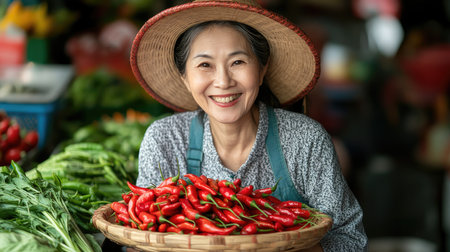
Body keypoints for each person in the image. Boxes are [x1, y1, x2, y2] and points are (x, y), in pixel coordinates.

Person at [131, 0, 368, 251]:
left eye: (238, 62)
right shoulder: (165, 141)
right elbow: (140, 237)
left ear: (262, 68)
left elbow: (349, 237)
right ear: (185, 77)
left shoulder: (304, 139)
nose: (223, 81)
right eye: (204, 65)